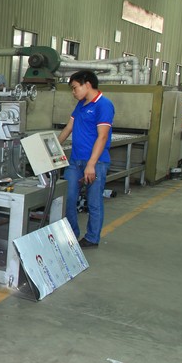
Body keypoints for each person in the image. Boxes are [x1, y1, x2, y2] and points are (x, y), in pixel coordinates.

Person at [57, 70, 114, 248]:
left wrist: (91, 164)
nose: (73, 92)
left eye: (75, 88)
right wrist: (53, 147)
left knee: (94, 201)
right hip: (75, 161)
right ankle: (72, 234)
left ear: (87, 84)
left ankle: (92, 238)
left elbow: (102, 136)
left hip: (96, 163)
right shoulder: (81, 104)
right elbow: (69, 128)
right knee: (68, 197)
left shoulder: (104, 105)